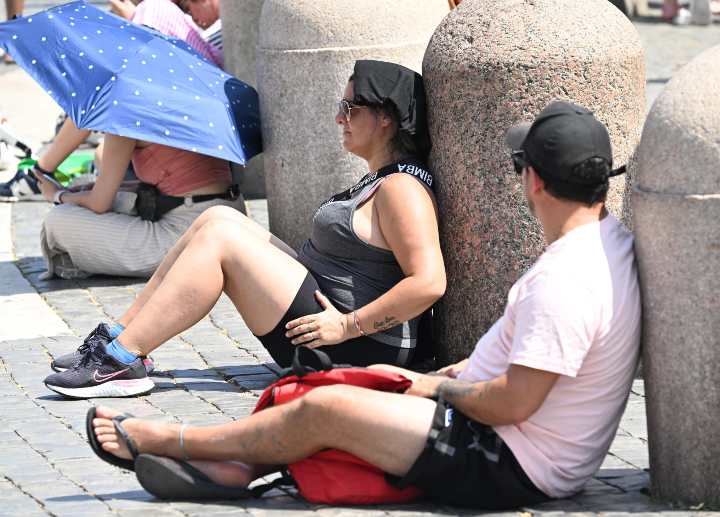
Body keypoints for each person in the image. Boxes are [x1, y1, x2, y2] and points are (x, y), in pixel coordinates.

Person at [84, 101, 641, 509]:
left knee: (326, 410)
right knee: (330, 391)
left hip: (507, 460)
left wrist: (432, 385)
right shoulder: (605, 241)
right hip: (513, 441)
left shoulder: (567, 279)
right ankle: (239, 463)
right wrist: (451, 371)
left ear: (534, 182)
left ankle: (175, 440)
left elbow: (514, 403)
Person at [43, 60, 446, 397]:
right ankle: (121, 335)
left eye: (351, 107)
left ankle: (122, 362)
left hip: (356, 345)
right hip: (330, 319)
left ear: (387, 120)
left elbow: (429, 282)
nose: (340, 117)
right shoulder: (382, 179)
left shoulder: (401, 189)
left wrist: (346, 325)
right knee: (218, 217)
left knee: (222, 238)